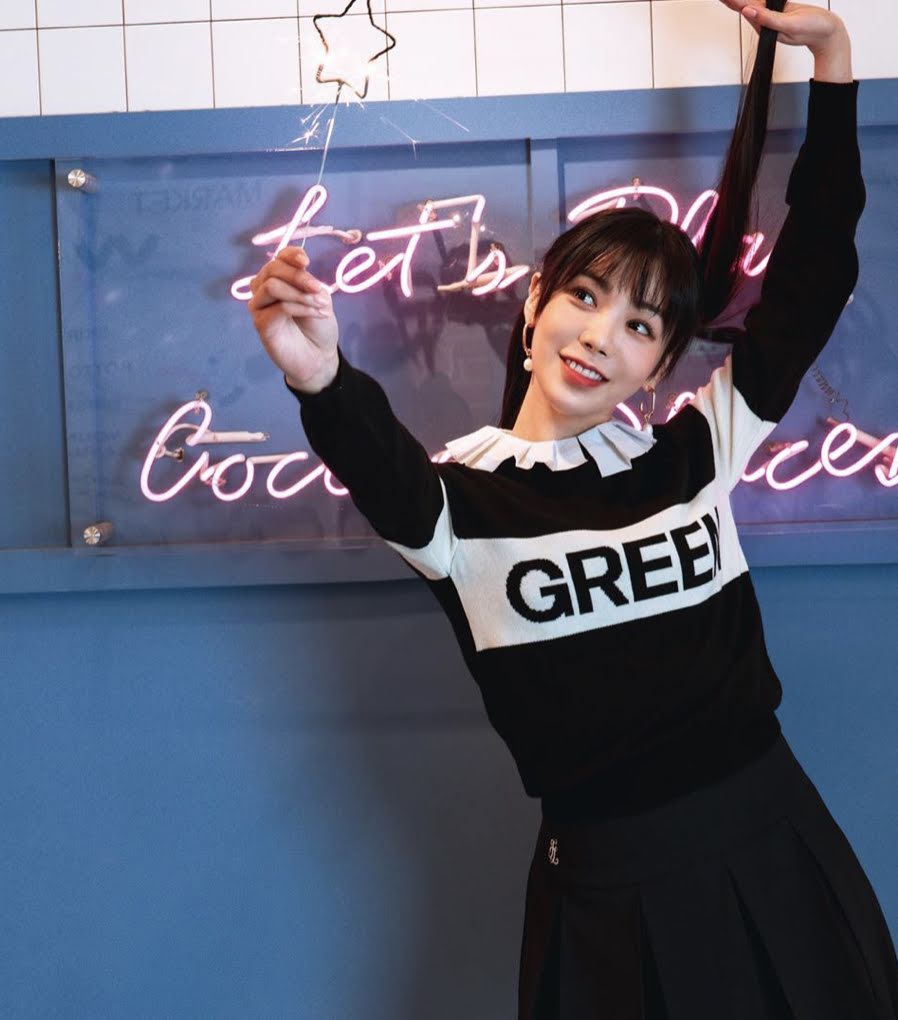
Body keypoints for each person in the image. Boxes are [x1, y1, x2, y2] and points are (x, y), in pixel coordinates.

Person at [248, 1, 898, 1015]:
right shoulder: (457, 505)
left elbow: (815, 275)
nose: (599, 336)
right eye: (586, 297)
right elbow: (376, 463)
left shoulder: (694, 453)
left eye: (640, 325)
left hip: (773, 847)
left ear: (660, 365)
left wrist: (834, 59)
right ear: (535, 306)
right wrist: (319, 377)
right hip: (610, 897)